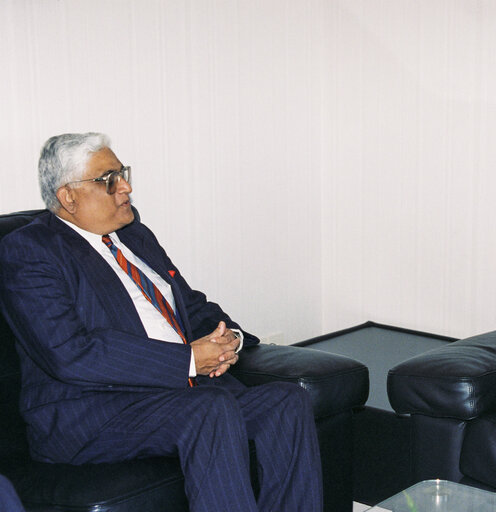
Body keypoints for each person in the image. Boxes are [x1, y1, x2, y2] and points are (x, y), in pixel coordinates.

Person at [0, 133, 323, 512]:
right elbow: (69, 353)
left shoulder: (134, 235)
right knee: (209, 408)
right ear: (68, 197)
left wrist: (229, 339)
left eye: (123, 173)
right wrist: (187, 360)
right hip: (90, 412)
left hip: (173, 395)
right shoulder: (30, 250)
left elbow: (190, 305)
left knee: (286, 400)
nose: (126, 187)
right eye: (109, 180)